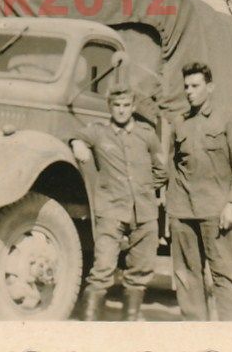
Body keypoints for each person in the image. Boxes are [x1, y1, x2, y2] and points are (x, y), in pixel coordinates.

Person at [66, 86, 166, 321]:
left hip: (144, 212)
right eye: (116, 106)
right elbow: (73, 134)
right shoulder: (99, 133)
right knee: (102, 269)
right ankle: (90, 332)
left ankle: (128, 326)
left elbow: (162, 170)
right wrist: (76, 143)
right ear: (110, 108)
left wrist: (144, 189)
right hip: (111, 210)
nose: (121, 111)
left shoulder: (146, 135)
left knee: (139, 273)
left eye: (126, 105)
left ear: (133, 107)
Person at [167, 62, 232, 321]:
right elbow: (172, 166)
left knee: (225, 275)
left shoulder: (228, 118)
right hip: (182, 211)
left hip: (216, 210)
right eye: (186, 87)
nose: (189, 91)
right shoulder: (179, 122)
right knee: (187, 277)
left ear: (209, 87)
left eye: (195, 86)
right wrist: (171, 211)